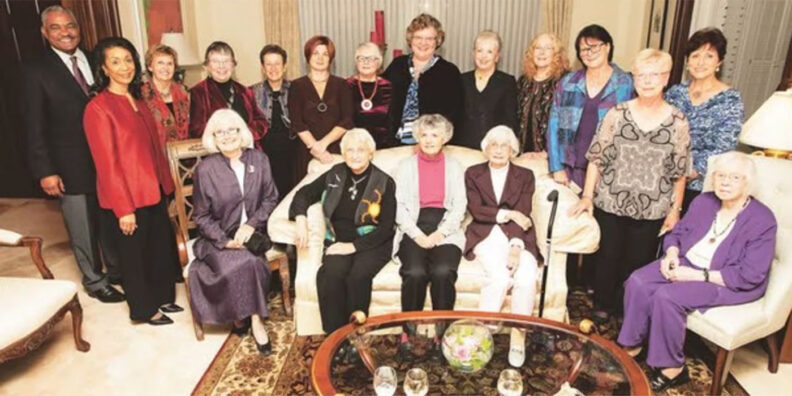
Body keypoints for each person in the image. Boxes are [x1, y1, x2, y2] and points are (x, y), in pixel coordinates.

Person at [618, 152, 776, 391]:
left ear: (748, 183)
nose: (724, 182)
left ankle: (673, 367)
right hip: (687, 263)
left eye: (734, 177)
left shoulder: (762, 219)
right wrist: (670, 254)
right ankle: (632, 345)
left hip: (727, 280)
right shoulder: (705, 201)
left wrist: (697, 276)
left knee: (668, 297)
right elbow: (677, 233)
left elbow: (750, 274)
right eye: (720, 175)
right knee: (638, 281)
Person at [569, 49, 690, 322]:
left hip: (652, 207)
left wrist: (675, 209)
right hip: (611, 200)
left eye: (655, 75)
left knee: (637, 263)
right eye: (641, 75)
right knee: (607, 259)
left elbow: (679, 171)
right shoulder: (616, 114)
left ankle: (629, 310)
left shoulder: (678, 121)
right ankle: (602, 305)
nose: (647, 81)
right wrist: (587, 196)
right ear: (634, 78)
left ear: (666, 78)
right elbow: (596, 158)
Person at [21, 5, 124, 302]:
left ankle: (117, 271)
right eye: (56, 27)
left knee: (109, 218)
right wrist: (45, 171)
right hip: (68, 164)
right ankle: (94, 280)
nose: (65, 32)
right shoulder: (35, 71)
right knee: (82, 226)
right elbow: (33, 126)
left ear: (79, 28)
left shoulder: (96, 58)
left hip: (106, 160)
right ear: (44, 32)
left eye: (70, 25)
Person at [83, 37, 181, 325]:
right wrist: (123, 208)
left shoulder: (137, 100)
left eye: (128, 60)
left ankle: (162, 298)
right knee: (134, 257)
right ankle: (143, 309)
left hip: (154, 188)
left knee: (158, 248)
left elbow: (152, 147)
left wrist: (167, 187)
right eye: (115, 61)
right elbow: (107, 164)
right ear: (103, 68)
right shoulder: (98, 108)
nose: (124, 66)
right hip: (127, 196)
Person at [289, 128, 396, 358]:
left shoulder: (385, 181)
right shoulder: (334, 174)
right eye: (350, 150)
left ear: (371, 153)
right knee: (330, 274)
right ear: (343, 153)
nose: (355, 155)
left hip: (372, 242)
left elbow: (387, 227)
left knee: (358, 276)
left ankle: (357, 337)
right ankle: (336, 338)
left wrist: (353, 247)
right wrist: (300, 218)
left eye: (360, 150)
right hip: (338, 238)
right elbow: (303, 194)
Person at [189, 109, 279, 355]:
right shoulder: (206, 170)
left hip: (252, 236)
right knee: (247, 263)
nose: (227, 136)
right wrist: (225, 241)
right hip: (216, 239)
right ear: (213, 138)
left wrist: (251, 225)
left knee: (251, 260)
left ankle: (248, 319)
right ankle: (253, 319)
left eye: (233, 130)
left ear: (243, 132)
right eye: (220, 132)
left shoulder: (259, 160)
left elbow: (271, 198)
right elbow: (202, 216)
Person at [465, 126, 540, 368]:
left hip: (519, 237)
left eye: (504, 145)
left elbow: (524, 213)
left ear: (512, 150)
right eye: (493, 145)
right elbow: (477, 210)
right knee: (498, 276)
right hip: (486, 235)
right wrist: (509, 213)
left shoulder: (525, 175)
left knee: (527, 275)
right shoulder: (473, 173)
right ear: (485, 149)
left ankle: (518, 337)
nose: (498, 150)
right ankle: (483, 333)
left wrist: (516, 248)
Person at [394, 114, 466, 358]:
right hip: (413, 225)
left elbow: (459, 206)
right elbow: (398, 207)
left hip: (446, 227)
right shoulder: (405, 166)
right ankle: (408, 331)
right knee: (414, 272)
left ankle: (441, 334)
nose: (429, 139)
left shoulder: (455, 166)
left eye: (435, 135)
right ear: (417, 137)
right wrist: (416, 235)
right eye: (424, 134)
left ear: (445, 138)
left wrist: (440, 233)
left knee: (442, 272)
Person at [665, 28, 744, 213]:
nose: (700, 62)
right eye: (695, 55)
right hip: (665, 181)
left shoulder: (730, 100)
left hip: (702, 187)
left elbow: (724, 146)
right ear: (687, 61)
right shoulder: (675, 93)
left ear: (719, 62)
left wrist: (689, 173)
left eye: (709, 56)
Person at [546, 24, 634, 190]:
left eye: (593, 47)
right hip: (569, 167)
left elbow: (630, 131)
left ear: (607, 47)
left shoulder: (625, 83)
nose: (588, 54)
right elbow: (553, 125)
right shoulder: (569, 82)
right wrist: (556, 167)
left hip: (607, 170)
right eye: (583, 49)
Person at [383, 13, 463, 145]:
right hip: (394, 143)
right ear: (411, 40)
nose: (423, 43)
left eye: (429, 38)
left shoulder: (449, 72)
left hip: (431, 145)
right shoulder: (397, 65)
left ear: (437, 41)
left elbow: (454, 116)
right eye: (418, 37)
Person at [288, 35, 355, 180]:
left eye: (325, 54)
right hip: (307, 151)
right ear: (308, 56)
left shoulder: (342, 85)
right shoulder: (297, 86)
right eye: (315, 53)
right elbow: (297, 123)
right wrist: (316, 149)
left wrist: (323, 145)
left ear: (331, 58)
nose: (320, 58)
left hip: (336, 150)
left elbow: (347, 120)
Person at [188, 41, 268, 142]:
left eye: (226, 61)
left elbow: (261, 122)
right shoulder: (197, 93)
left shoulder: (246, 92)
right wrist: (226, 135)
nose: (221, 66)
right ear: (207, 66)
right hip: (216, 153)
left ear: (233, 65)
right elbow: (196, 129)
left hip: (247, 150)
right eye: (215, 61)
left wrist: (243, 134)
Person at [456, 30, 518, 149]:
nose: (483, 56)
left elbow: (510, 120)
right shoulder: (461, 80)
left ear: (496, 57)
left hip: (494, 149)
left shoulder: (507, 82)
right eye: (479, 51)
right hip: (462, 148)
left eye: (489, 52)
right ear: (474, 54)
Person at [251, 44, 297, 200]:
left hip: (292, 151)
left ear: (284, 66)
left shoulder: (296, 89)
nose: (273, 68)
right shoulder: (252, 92)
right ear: (263, 68)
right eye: (268, 64)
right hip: (265, 152)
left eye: (277, 63)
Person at [517, 33, 569, 156]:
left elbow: (568, 124)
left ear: (556, 54)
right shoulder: (523, 81)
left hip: (551, 157)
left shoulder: (565, 81)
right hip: (522, 155)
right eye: (538, 48)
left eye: (548, 48)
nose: (542, 52)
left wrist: (547, 153)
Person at [346, 42, 396, 149]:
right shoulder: (346, 86)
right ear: (356, 62)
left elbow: (393, 121)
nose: (366, 62)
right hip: (353, 147)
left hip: (384, 147)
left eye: (371, 58)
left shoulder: (389, 86)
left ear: (379, 62)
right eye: (362, 58)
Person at [141, 44, 190, 147]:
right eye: (160, 63)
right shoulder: (141, 96)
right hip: (155, 154)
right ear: (150, 67)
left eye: (169, 63)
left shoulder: (185, 92)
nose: (165, 68)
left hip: (185, 154)